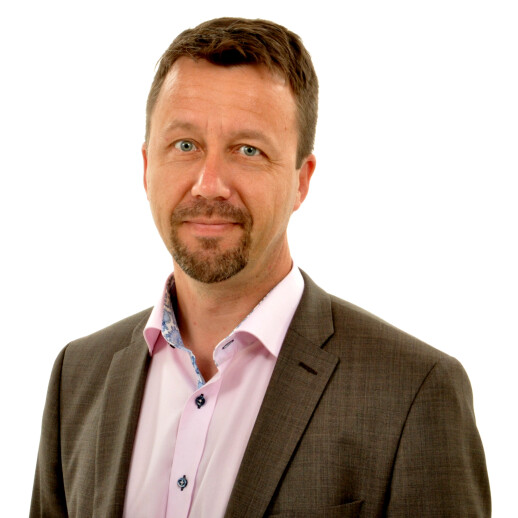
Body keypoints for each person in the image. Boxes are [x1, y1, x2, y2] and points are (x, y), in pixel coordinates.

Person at [30, 17, 490, 518]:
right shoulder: (78, 376)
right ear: (146, 167)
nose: (209, 184)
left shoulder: (413, 393)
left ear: (301, 181)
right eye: (185, 145)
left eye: (248, 150)